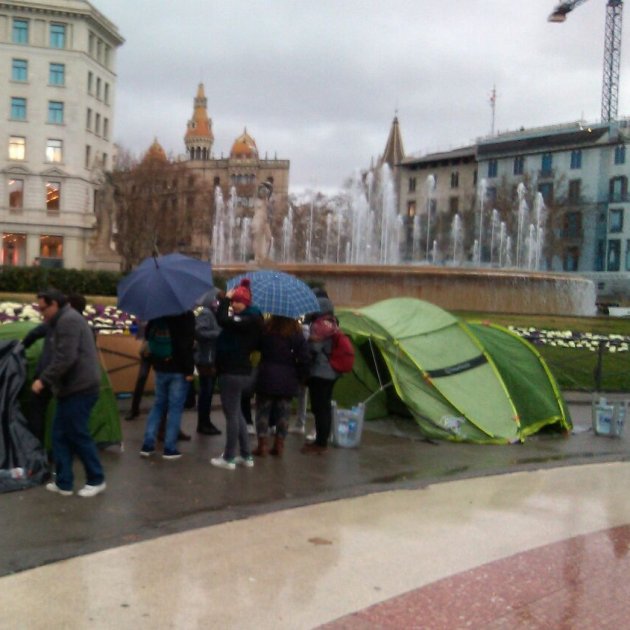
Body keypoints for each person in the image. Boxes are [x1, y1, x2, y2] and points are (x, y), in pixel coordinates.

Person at [32, 288, 105, 497]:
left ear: (54, 304)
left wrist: (43, 380)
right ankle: (64, 482)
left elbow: (66, 357)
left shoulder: (68, 321)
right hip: (69, 388)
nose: (41, 313)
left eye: (43, 308)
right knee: (59, 435)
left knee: (77, 433)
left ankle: (96, 478)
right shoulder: (59, 321)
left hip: (81, 388)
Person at [211, 279, 263, 470]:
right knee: (238, 413)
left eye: (237, 301)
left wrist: (225, 300)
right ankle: (246, 454)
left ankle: (229, 457)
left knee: (231, 414)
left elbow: (222, 320)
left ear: (246, 302)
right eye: (233, 302)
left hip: (233, 370)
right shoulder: (253, 318)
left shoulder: (248, 319)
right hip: (240, 370)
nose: (234, 305)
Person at [139, 311, 195, 460]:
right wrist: (189, 370)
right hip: (178, 369)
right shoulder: (186, 315)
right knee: (175, 408)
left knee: (158, 405)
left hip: (160, 366)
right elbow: (186, 345)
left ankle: (148, 444)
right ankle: (169, 448)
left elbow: (148, 335)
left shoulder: (159, 312)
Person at [253, 316, 310, 457]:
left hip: (266, 375)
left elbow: (256, 345)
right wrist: (301, 376)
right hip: (288, 378)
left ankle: (262, 445)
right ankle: (279, 444)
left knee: (262, 412)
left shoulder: (267, 328)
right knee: (283, 414)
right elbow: (305, 357)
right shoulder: (296, 332)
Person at [302, 294, 339, 454]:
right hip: (330, 372)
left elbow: (316, 349)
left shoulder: (320, 325)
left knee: (320, 408)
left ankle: (320, 442)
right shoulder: (333, 323)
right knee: (324, 406)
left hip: (320, 372)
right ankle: (322, 440)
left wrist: (309, 341)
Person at [194, 300, 222, 436]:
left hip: (210, 356)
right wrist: (218, 333)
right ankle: (203, 423)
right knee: (206, 391)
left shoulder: (212, 313)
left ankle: (205, 421)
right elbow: (199, 332)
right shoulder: (206, 313)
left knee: (208, 392)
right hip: (206, 358)